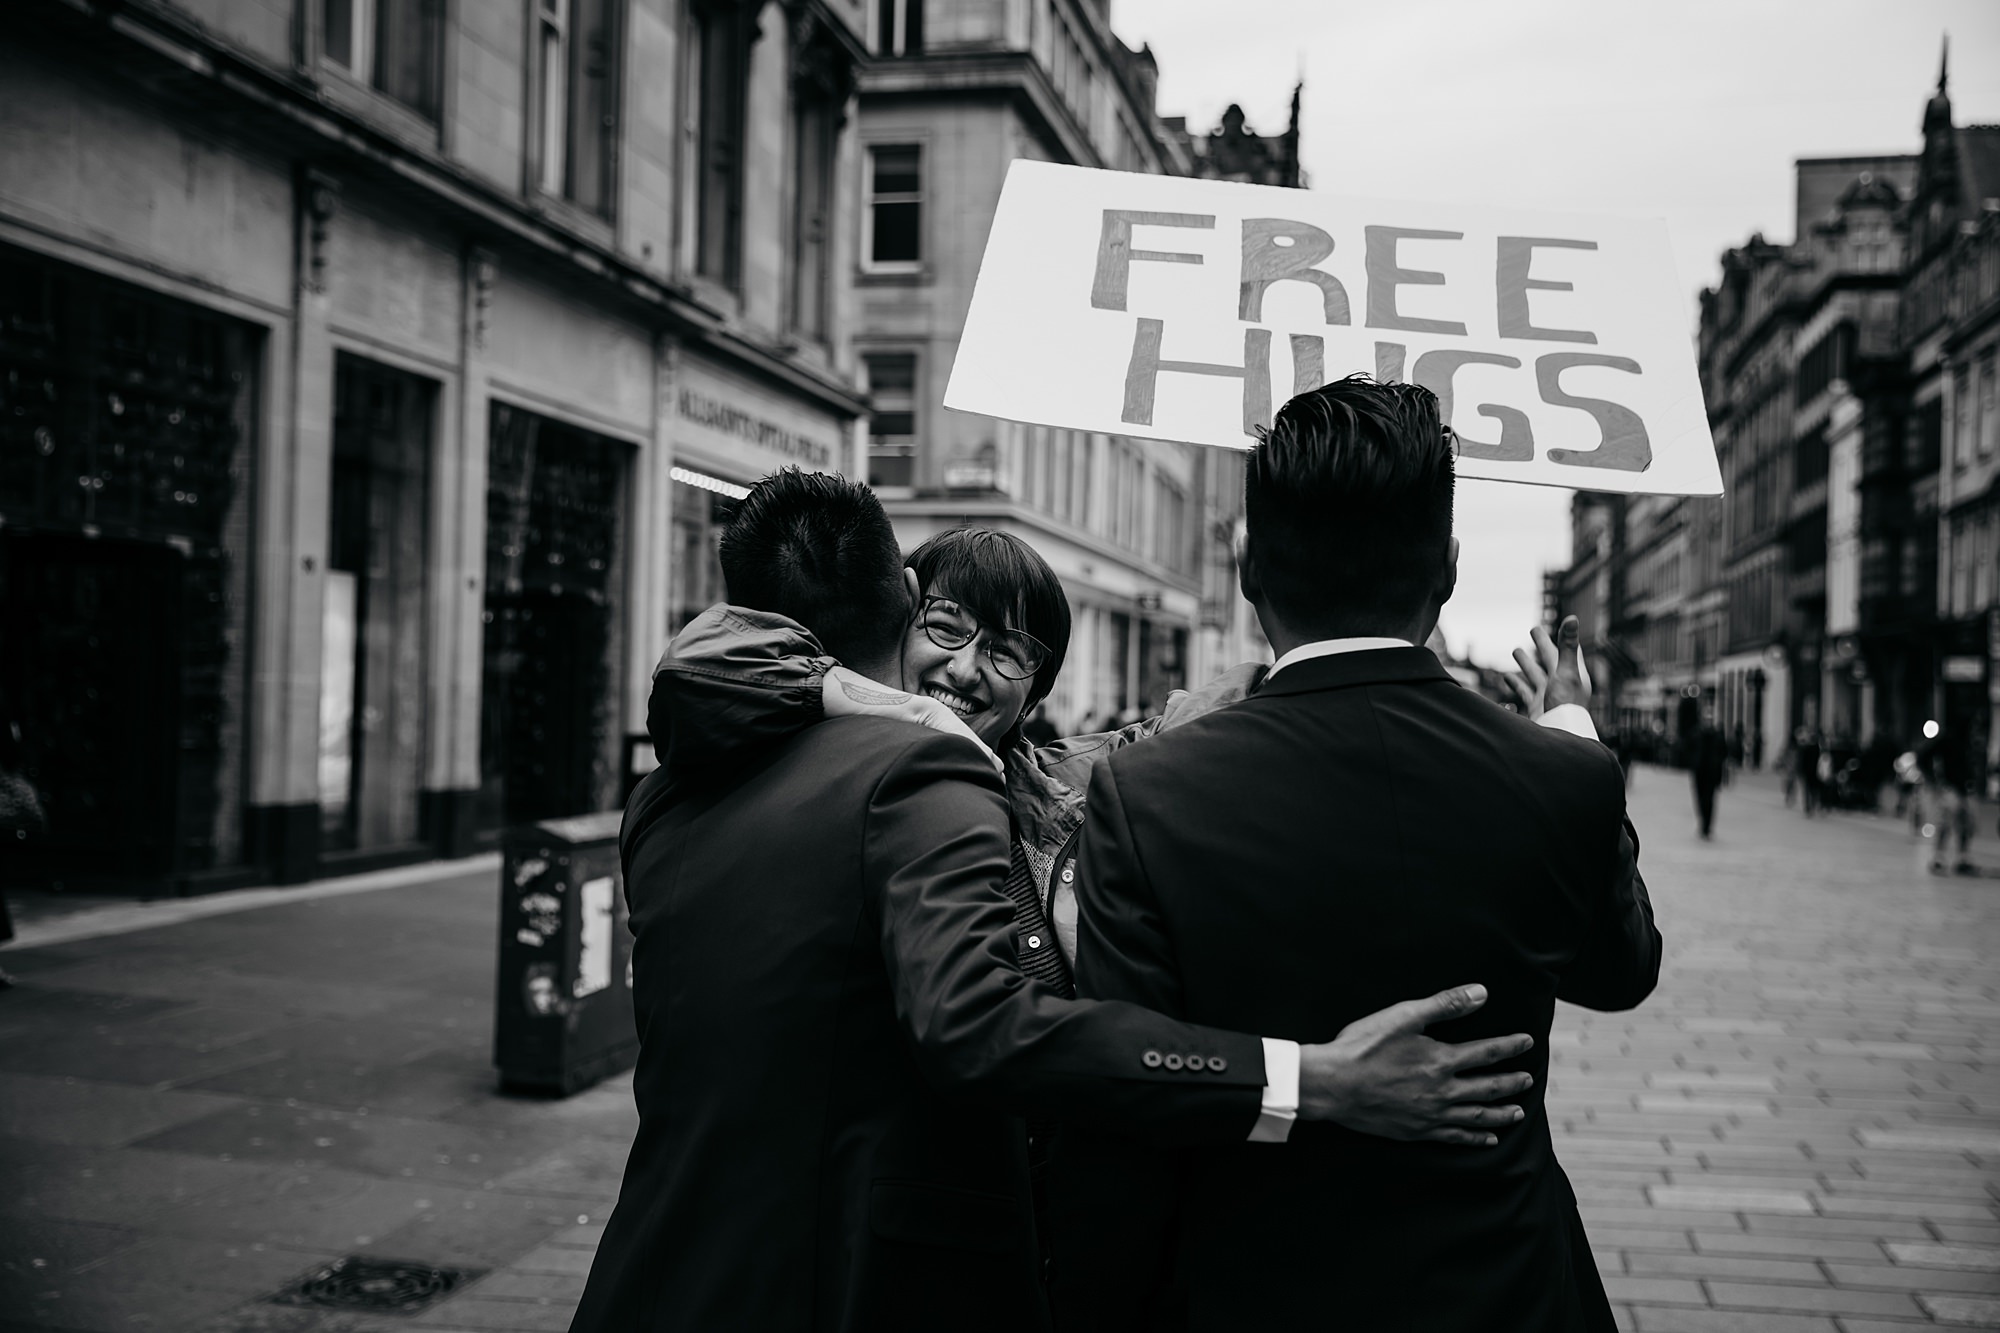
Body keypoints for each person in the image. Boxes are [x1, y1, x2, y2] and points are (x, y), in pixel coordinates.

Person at [572, 472, 1537, 1333]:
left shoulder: (679, 787)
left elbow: (1200, 731)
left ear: (1039, 686)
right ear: (904, 609)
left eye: (1011, 651)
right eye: (946, 627)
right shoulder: (909, 764)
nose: (962, 669)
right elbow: (979, 1024)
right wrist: (1302, 1079)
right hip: (850, 1272)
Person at [1045, 376, 1661, 1333]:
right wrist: (1574, 735)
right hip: (1502, 1286)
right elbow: (1621, 970)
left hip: (1253, 1282)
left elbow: (1140, 1079)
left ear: (1250, 568)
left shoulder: (1150, 791)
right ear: (1447, 567)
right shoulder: (1561, 776)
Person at [1917, 719, 1974, 875]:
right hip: (1950, 788)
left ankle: (1961, 858)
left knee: (1964, 823)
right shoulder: (1947, 740)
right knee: (1947, 821)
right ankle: (1940, 857)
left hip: (1961, 788)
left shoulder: (1963, 742)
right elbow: (1922, 756)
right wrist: (1933, 779)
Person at [1691, 704, 1729, 839]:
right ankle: (1703, 822)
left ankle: (1707, 826)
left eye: (1710, 718)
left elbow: (1724, 753)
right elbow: (1689, 749)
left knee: (1710, 800)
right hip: (1699, 772)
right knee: (1700, 799)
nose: (1708, 721)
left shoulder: (1717, 736)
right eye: (1706, 718)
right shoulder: (1696, 733)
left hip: (1712, 773)